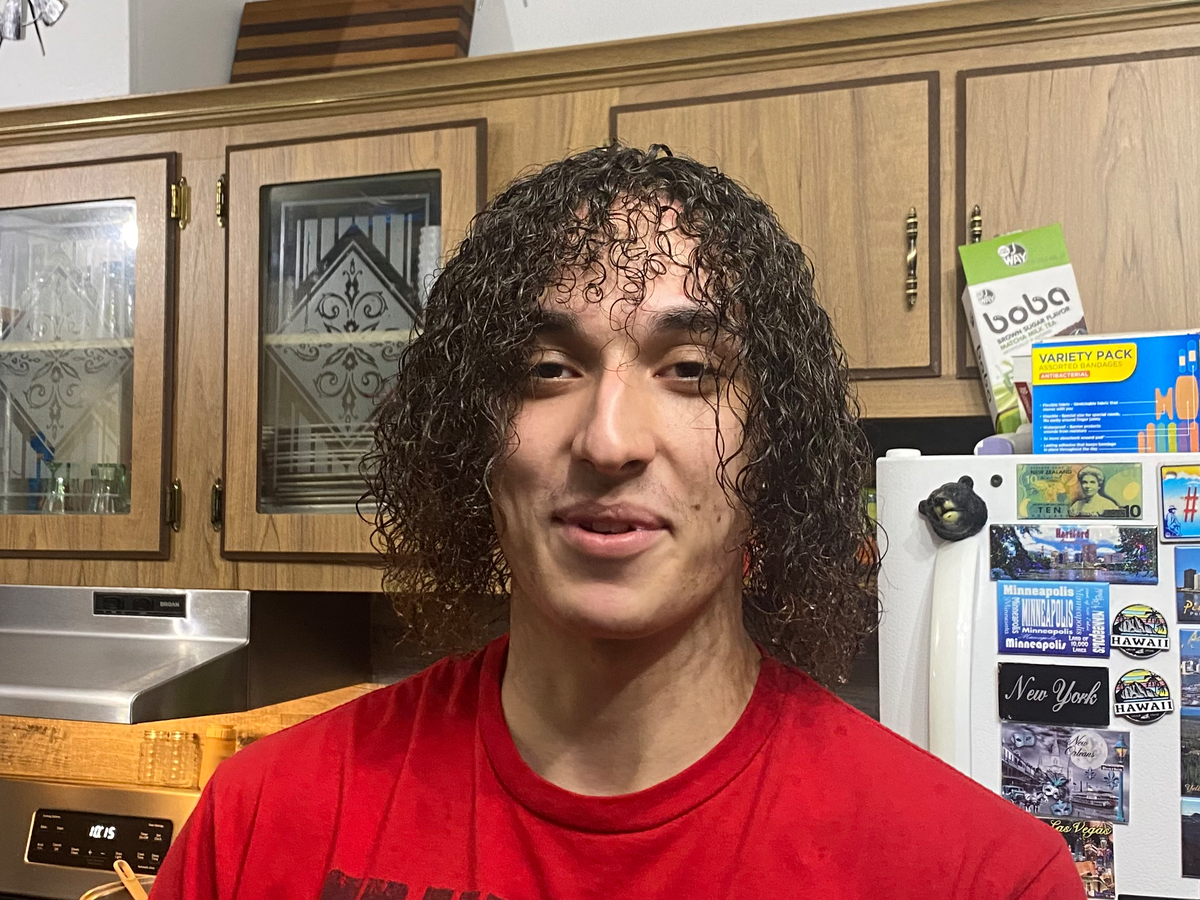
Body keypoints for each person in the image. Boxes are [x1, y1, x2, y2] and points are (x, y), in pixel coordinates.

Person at [151, 145, 1082, 899]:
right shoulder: (260, 823)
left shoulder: (978, 876)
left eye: (690, 371)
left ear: (775, 441)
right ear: (470, 435)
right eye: (548, 370)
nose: (608, 440)